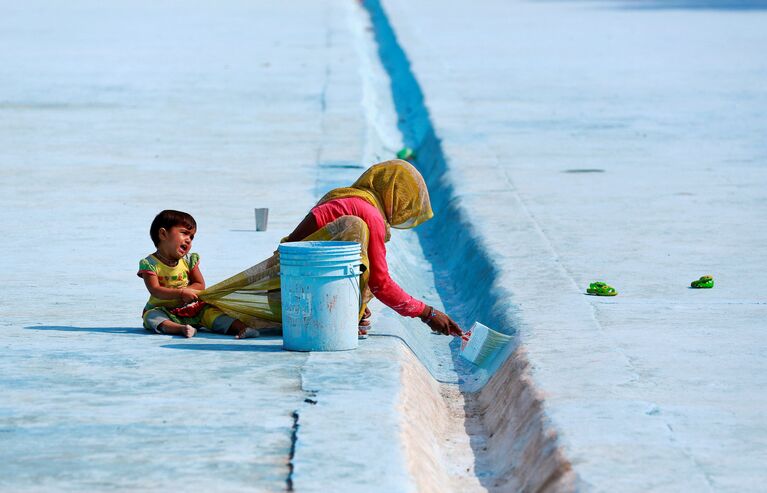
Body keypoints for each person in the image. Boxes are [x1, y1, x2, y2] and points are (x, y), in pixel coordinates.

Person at [284, 159, 463, 338]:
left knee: (364, 267)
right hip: (296, 288)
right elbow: (380, 284)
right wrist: (428, 314)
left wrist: (357, 301)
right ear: (393, 194)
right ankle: (337, 314)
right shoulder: (371, 215)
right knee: (368, 268)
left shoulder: (352, 198)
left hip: (293, 271)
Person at [137, 210, 259, 339]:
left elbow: (200, 284)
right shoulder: (150, 264)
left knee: (212, 313)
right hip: (162, 309)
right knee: (151, 318)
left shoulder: (189, 260)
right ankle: (181, 329)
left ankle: (242, 328)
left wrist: (188, 291)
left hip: (191, 308)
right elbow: (155, 290)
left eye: (192, 237)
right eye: (184, 233)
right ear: (163, 234)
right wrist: (181, 293)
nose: (189, 240)